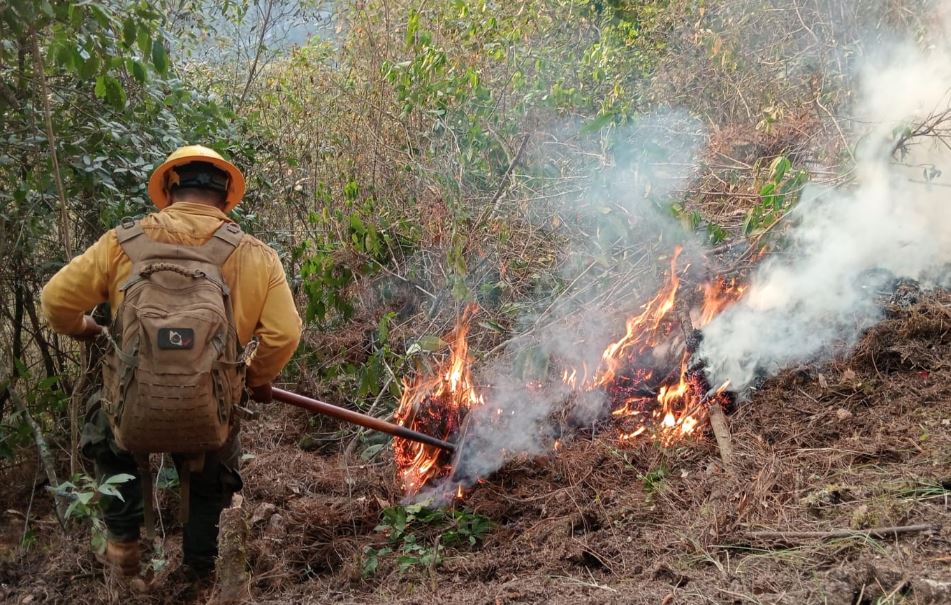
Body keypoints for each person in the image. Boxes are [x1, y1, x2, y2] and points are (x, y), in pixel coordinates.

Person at [40, 145, 302, 582]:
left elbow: (53, 303)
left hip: (134, 403)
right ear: (225, 196)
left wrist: (89, 329)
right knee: (213, 468)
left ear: (168, 189)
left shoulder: (122, 243)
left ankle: (123, 542)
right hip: (210, 411)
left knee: (106, 428)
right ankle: (199, 573)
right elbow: (285, 334)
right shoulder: (256, 255)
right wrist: (255, 380)